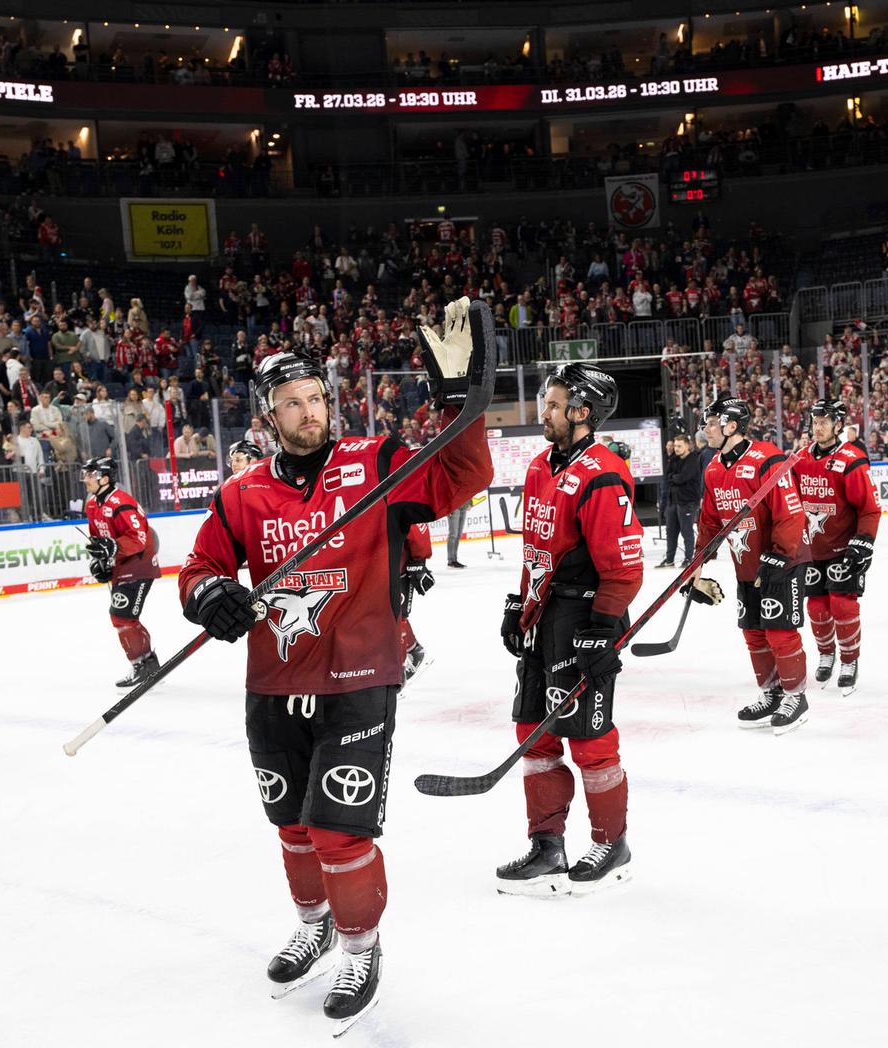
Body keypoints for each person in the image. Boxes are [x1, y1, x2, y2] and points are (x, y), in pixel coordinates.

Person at [177, 305, 491, 1032]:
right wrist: (210, 596)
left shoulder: (375, 462)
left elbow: (464, 472)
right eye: (292, 402)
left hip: (359, 677)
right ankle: (314, 923)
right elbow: (200, 568)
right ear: (268, 415)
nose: (309, 410)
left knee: (339, 832)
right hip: (275, 684)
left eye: (316, 397)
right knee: (291, 825)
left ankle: (359, 946)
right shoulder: (241, 493)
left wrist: (456, 399)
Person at [495, 363, 642, 896]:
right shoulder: (540, 467)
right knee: (532, 731)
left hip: (585, 616)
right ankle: (547, 845)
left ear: (582, 413)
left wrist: (604, 629)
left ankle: (611, 842)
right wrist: (519, 602)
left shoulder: (603, 473)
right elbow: (536, 550)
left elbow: (624, 565)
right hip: (545, 614)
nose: (545, 412)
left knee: (590, 739)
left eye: (555, 404)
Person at [687, 396, 811, 734]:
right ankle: (771, 692)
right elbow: (711, 521)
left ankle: (795, 696)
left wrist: (780, 555)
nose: (705, 429)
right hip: (746, 566)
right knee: (754, 632)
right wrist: (697, 562)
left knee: (779, 630)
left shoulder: (768, 458)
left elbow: (791, 511)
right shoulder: (713, 468)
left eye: (712, 423)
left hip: (780, 562)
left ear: (731, 426)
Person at [791, 399, 881, 694]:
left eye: (824, 422)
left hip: (844, 548)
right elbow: (788, 503)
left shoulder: (852, 459)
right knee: (816, 607)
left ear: (838, 425)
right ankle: (827, 654)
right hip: (812, 549)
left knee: (842, 605)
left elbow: (869, 508)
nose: (817, 428)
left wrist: (864, 541)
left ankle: (849, 660)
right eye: (815, 422)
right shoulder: (801, 459)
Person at [82, 455, 161, 688]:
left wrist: (114, 547)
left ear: (105, 478)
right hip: (122, 566)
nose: (86, 479)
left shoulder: (121, 503)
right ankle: (148, 663)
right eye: (85, 474)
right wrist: (102, 562)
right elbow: (99, 541)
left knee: (121, 617)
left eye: (91, 475)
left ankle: (140, 664)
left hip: (139, 565)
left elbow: (139, 538)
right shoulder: (92, 504)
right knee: (125, 617)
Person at [657, 431, 705, 567]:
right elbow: (668, 476)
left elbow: (682, 478)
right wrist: (674, 478)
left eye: (679, 446)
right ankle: (669, 559)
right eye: (675, 446)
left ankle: (689, 558)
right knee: (671, 532)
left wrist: (674, 478)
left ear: (687, 446)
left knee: (686, 531)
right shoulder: (673, 459)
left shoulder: (694, 459)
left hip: (688, 502)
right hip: (673, 501)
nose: (676, 448)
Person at [399, 524, 434, 683]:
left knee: (395, 615)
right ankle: (412, 650)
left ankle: (406, 658)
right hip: (375, 563)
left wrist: (419, 559)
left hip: (398, 565)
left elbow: (417, 522)